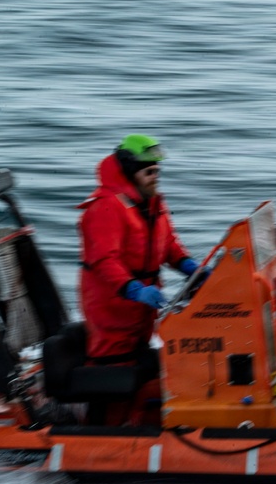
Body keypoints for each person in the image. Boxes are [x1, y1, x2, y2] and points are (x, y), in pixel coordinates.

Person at [77, 134, 202, 365]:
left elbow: (168, 243)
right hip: (112, 306)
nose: (155, 178)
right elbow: (105, 260)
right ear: (130, 173)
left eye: (157, 172)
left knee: (142, 360)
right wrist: (134, 290)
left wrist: (190, 266)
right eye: (148, 173)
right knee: (116, 366)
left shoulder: (153, 202)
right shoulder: (105, 207)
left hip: (143, 307)